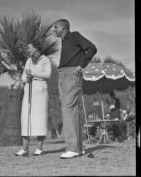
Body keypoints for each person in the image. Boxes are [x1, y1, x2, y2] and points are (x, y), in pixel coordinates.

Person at [53, 19, 97, 159]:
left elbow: (92, 48)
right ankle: (78, 147)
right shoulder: (65, 41)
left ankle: (72, 148)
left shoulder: (74, 35)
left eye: (56, 27)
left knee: (68, 110)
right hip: (65, 75)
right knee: (73, 111)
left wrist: (81, 65)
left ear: (64, 27)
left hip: (71, 74)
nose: (54, 30)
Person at [15, 43, 52, 156]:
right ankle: (25, 148)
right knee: (25, 118)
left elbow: (48, 75)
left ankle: (39, 148)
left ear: (36, 48)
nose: (28, 49)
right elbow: (23, 76)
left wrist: (32, 73)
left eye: (29, 47)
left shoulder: (45, 60)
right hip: (28, 90)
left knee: (40, 118)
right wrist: (26, 77)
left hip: (40, 91)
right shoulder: (28, 61)